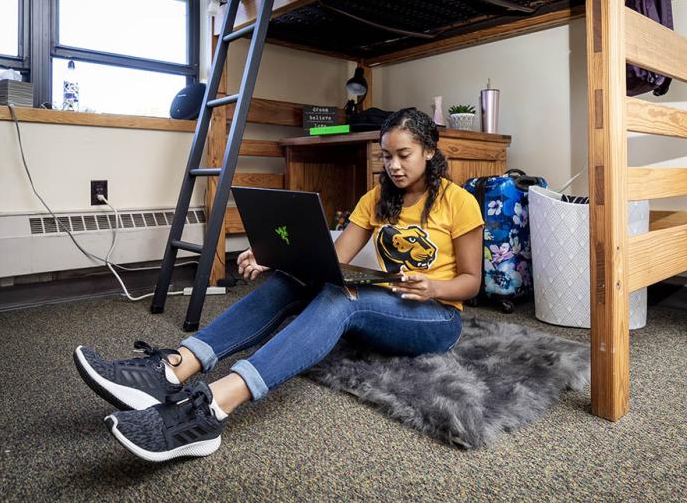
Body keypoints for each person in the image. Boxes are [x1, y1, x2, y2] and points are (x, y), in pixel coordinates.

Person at [73, 108, 484, 462]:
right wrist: (276, 255)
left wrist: (433, 288)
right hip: (389, 304)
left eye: (404, 155)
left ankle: (212, 408)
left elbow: (471, 283)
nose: (394, 165)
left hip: (436, 316)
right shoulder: (376, 198)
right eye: (387, 156)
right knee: (299, 280)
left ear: (430, 152)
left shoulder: (459, 202)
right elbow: (332, 262)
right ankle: (174, 368)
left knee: (343, 301)